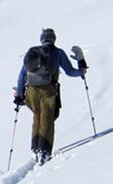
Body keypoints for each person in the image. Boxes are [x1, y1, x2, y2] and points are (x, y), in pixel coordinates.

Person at [13, 28, 87, 165]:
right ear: (53, 39)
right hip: (48, 90)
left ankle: (36, 149)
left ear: (42, 39)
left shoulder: (33, 53)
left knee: (37, 116)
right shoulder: (58, 53)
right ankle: (44, 151)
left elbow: (22, 75)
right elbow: (70, 72)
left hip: (31, 91)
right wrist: (81, 71)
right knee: (47, 119)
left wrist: (19, 94)